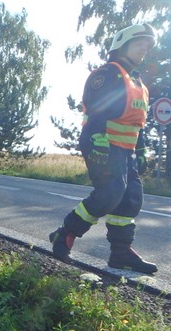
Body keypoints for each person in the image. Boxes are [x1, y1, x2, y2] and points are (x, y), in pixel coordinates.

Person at [49, 24, 158, 274]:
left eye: (147, 45)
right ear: (121, 45)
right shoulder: (109, 74)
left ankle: (120, 253)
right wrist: (98, 138)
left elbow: (135, 122)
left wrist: (140, 151)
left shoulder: (137, 82)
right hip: (102, 143)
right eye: (139, 43)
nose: (145, 48)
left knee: (131, 198)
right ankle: (64, 234)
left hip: (125, 149)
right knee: (110, 192)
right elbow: (97, 107)